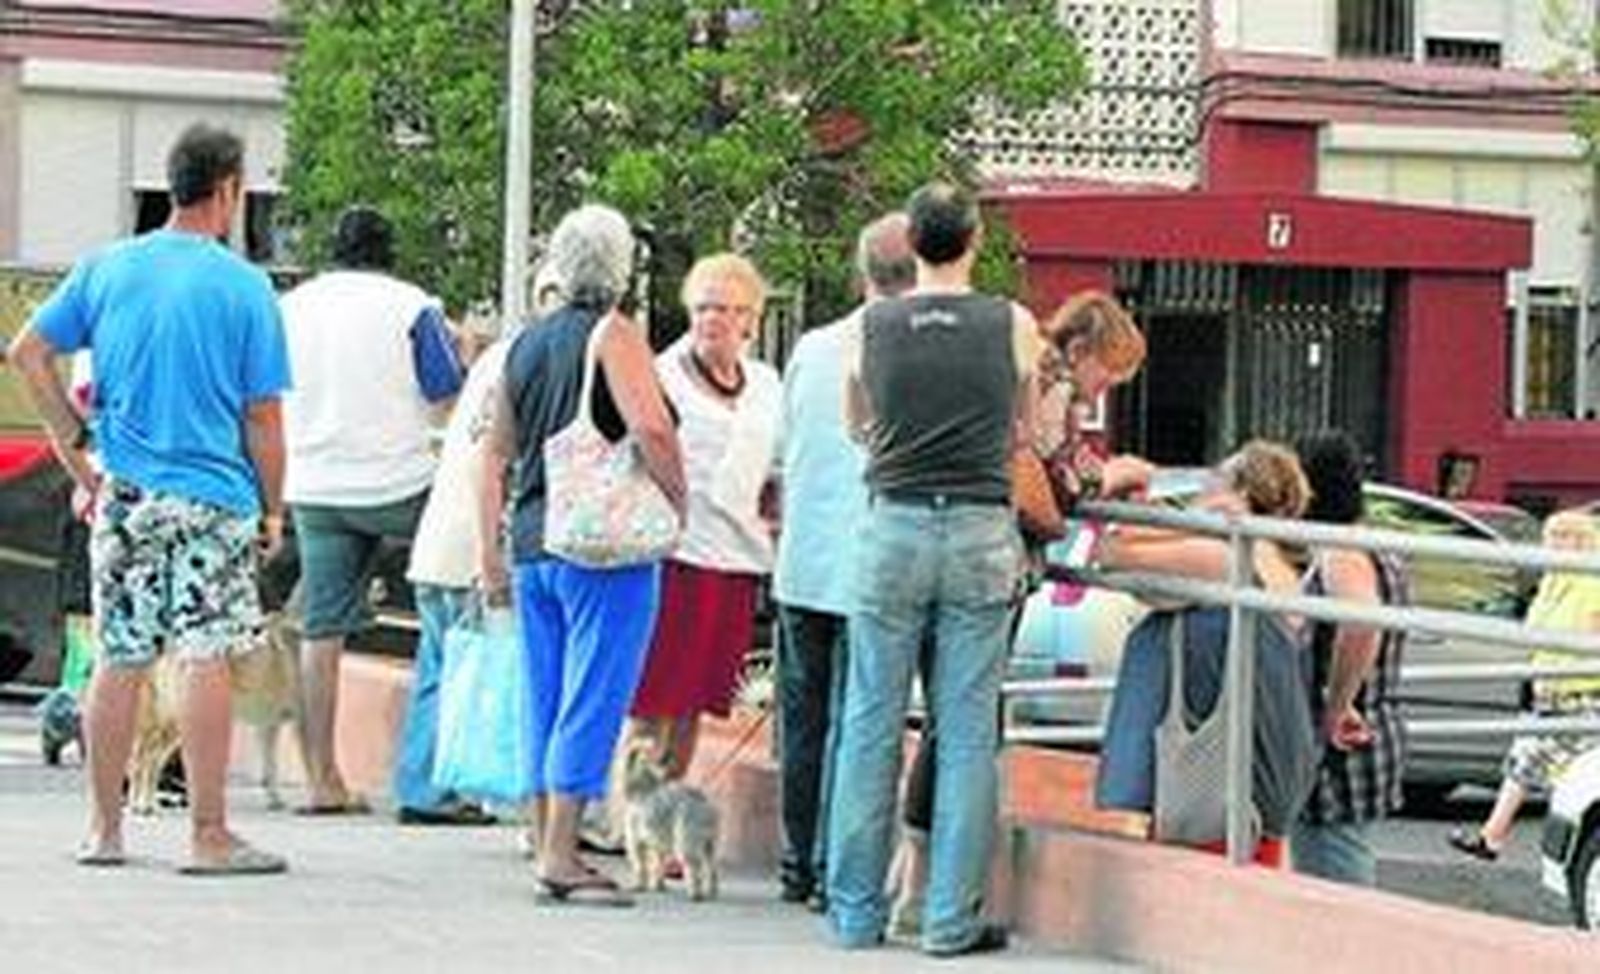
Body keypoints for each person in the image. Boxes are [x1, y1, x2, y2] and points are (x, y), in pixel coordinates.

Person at [7, 122, 290, 874]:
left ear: (173, 185)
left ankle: (104, 831)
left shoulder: (106, 268)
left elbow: (28, 352)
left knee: (120, 657)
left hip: (124, 493)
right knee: (203, 655)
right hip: (214, 497)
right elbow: (263, 418)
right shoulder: (245, 288)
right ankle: (207, 835)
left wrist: (76, 450)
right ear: (228, 190)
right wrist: (273, 508)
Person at [887, 289, 1152, 938]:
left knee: (939, 720)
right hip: (992, 567)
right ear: (1083, 349)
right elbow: (1047, 481)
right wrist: (1109, 478)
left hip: (935, 552)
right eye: (1107, 375)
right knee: (967, 728)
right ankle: (930, 896)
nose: (1100, 392)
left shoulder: (1005, 368)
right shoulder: (1049, 382)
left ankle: (903, 885)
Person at [826, 182, 1040, 957]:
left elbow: (856, 423)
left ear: (911, 243)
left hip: (894, 525)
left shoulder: (871, 326)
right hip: (982, 529)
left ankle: (854, 913)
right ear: (974, 241)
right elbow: (1028, 427)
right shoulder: (1012, 324)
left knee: (871, 723)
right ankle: (949, 920)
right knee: (965, 730)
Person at [478, 204, 686, 905]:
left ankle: (543, 838)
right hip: (603, 546)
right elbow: (652, 427)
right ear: (623, 269)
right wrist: (679, 501)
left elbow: (494, 454)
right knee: (596, 694)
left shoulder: (525, 344)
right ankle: (564, 853)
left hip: (534, 541)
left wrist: (490, 555)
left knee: (545, 694)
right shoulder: (615, 335)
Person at [279, 205, 464, 815]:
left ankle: (321, 780)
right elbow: (446, 394)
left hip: (314, 483)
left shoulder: (293, 306)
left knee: (320, 631)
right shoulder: (412, 304)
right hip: (399, 482)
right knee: (452, 596)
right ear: (391, 251)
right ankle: (432, 777)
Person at [772, 213, 915, 910]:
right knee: (860, 722)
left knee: (803, 723)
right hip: (871, 561)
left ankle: (797, 860)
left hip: (804, 559)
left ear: (862, 274)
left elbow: (786, 446)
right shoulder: (913, 346)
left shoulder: (813, 346)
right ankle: (836, 868)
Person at [1094, 440, 1317, 866]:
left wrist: (1188, 519)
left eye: (1212, 480)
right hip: (1263, 757)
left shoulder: (1227, 555)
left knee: (1223, 870)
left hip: (1220, 768)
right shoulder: (1273, 558)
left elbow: (1112, 551)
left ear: (1240, 494)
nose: (1199, 490)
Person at [626, 254, 783, 782]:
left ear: (751, 320)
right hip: (676, 553)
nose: (714, 319)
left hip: (738, 557)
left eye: (729, 309)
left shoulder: (765, 384)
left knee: (696, 699)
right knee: (654, 698)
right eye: (705, 306)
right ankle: (631, 819)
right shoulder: (663, 375)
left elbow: (780, 461)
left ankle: (669, 808)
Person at [391, 310, 517, 826]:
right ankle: (453, 786)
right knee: (470, 672)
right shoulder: (529, 363)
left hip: (440, 539)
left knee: (438, 670)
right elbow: (494, 463)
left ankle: (421, 784)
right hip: (470, 545)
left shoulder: (494, 360)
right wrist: (492, 557)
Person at [1289, 430, 1408, 886]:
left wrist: (1335, 708)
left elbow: (1360, 622)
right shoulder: (1378, 548)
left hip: (1342, 743)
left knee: (1334, 876)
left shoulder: (1339, 550)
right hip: (1375, 723)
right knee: (1337, 861)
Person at [1448, 510, 1600, 860]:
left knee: (1539, 766)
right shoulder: (1551, 583)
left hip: (1581, 696)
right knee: (1527, 765)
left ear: (1581, 542)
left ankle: (1502, 839)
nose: (1552, 544)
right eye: (1551, 537)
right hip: (1549, 695)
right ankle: (1495, 838)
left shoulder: (1591, 585)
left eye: (1562, 537)